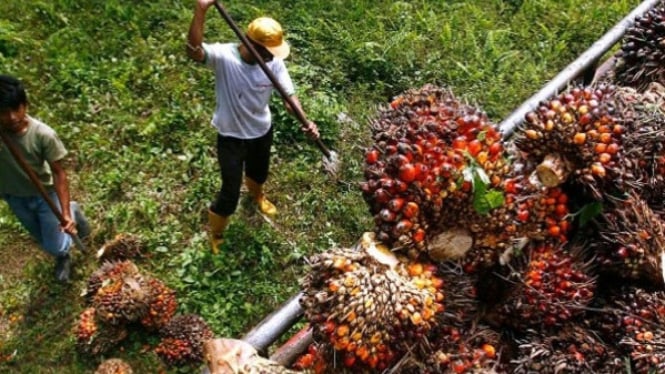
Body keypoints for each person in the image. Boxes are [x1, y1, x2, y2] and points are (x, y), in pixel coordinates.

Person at [186, 0, 320, 253]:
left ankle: (257, 195)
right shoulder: (224, 57)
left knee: (259, 172)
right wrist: (201, 10)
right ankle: (216, 232)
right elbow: (193, 51)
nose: (272, 57)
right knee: (229, 191)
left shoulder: (274, 63)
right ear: (250, 45)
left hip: (261, 130)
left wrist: (306, 121)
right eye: (268, 52)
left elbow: (289, 99)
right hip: (231, 136)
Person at [0, 74, 90, 282]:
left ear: (25, 105)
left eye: (17, 109)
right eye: (4, 112)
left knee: (54, 244)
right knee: (41, 237)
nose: (12, 117)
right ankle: (62, 254)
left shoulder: (42, 135)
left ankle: (73, 214)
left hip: (44, 194)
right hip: (14, 196)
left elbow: (59, 173)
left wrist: (65, 213)